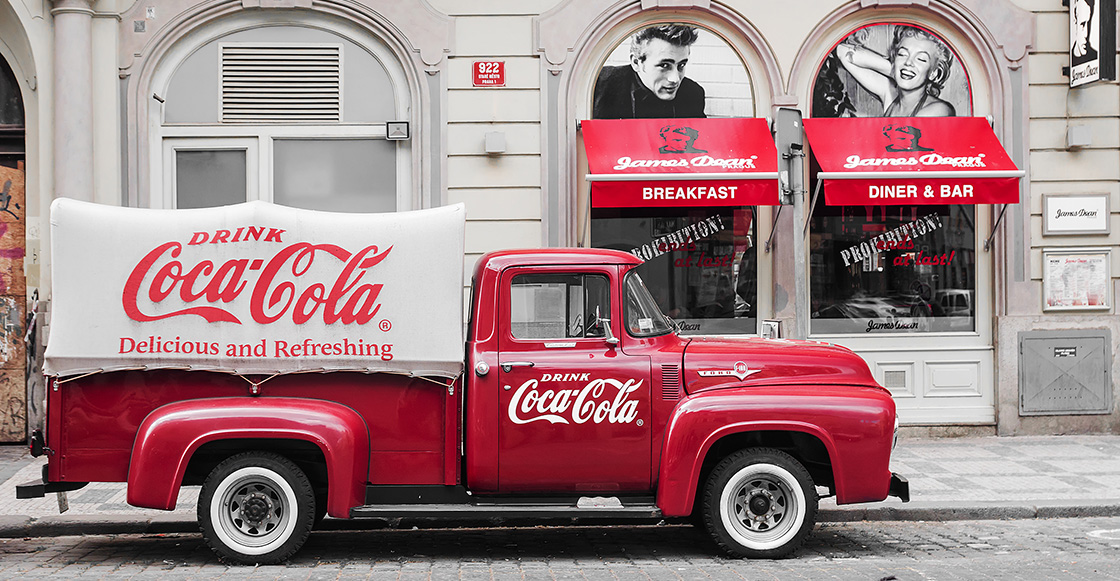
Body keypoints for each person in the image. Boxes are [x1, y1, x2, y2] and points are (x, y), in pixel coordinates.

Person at [834, 25, 955, 117]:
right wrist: (895, 69)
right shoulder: (891, 97)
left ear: (934, 73)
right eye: (902, 54)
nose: (908, 62)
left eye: (921, 59)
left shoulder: (940, 109)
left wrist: (902, 69)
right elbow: (842, 51)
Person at [593, 24, 707, 119]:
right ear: (636, 63)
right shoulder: (599, 84)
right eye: (664, 65)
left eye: (681, 65)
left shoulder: (693, 94)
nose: (675, 79)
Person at [1071, 0, 1098, 66]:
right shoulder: (1070, 59)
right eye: (1082, 24)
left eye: (1088, 24)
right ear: (1075, 19)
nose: (1086, 34)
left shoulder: (1096, 58)